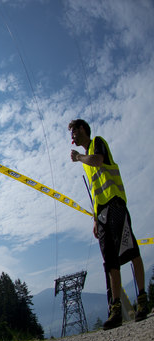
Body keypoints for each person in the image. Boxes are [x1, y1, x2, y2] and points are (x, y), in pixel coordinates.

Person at [69, 118, 148, 329]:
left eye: (74, 132)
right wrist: (95, 219)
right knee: (110, 262)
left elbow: (98, 161)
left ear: (83, 129)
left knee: (130, 250)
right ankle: (116, 309)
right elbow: (95, 191)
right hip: (101, 213)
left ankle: (142, 299)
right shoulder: (85, 162)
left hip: (115, 203)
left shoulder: (97, 143)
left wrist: (79, 157)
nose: (72, 137)